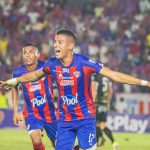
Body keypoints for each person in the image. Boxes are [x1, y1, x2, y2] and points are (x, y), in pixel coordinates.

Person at [1, 29, 150, 150]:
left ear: (70, 46)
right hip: (65, 119)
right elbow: (33, 76)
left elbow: (114, 75)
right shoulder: (52, 64)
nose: (55, 45)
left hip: (85, 117)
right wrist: (13, 81)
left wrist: (145, 82)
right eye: (55, 42)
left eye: (60, 42)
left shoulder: (84, 63)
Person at [10, 43, 57, 150]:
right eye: (25, 53)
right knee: (36, 139)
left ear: (38, 54)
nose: (27, 55)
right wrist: (15, 112)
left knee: (59, 145)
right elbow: (14, 89)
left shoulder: (47, 67)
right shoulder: (17, 72)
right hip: (32, 113)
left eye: (31, 52)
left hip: (51, 113)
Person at [92, 74, 118, 150]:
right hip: (104, 103)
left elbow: (94, 89)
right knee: (102, 124)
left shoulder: (96, 76)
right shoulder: (108, 77)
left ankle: (96, 143)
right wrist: (108, 103)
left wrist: (92, 102)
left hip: (97, 103)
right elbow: (110, 90)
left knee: (96, 124)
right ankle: (113, 142)